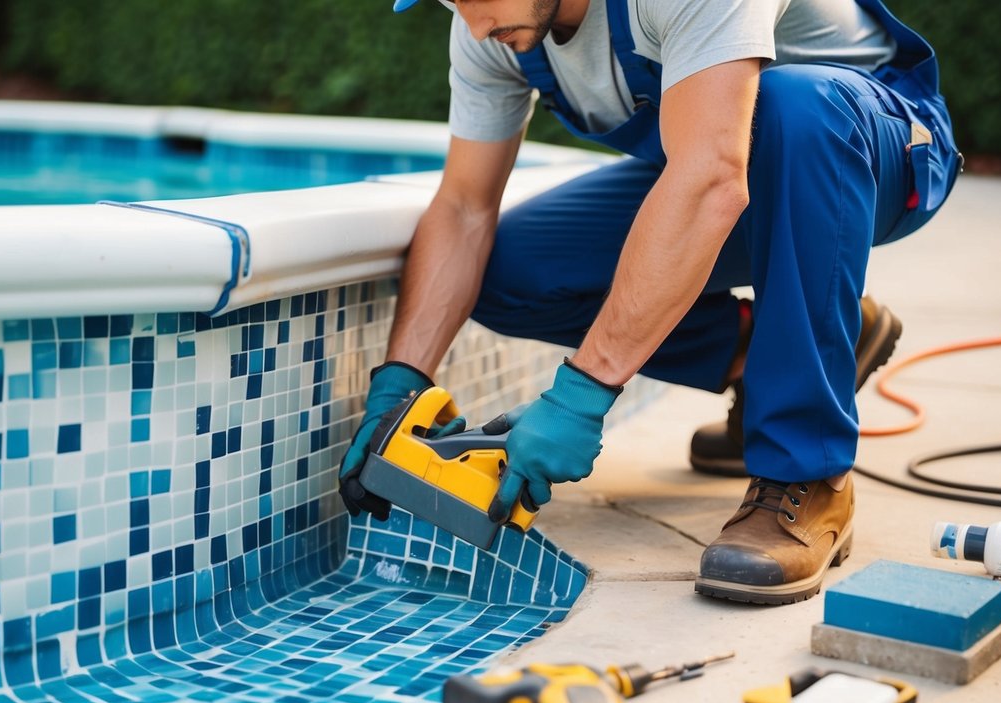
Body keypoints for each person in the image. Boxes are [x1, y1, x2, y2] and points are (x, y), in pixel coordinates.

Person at [339, 0, 961, 604]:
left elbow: (712, 177)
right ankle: (771, 356)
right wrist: (402, 382)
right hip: (718, 156)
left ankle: (810, 472)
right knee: (511, 270)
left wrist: (581, 395)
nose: (469, 21)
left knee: (795, 107)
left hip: (869, 143)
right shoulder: (490, 29)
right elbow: (463, 207)